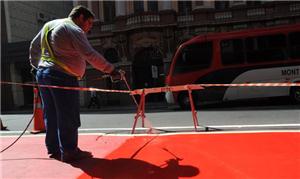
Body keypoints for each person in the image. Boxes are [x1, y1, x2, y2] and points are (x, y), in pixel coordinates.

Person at [29, 5, 122, 163]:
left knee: (50, 113)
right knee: (68, 115)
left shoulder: (49, 25)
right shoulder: (73, 29)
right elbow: (90, 54)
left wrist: (35, 66)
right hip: (62, 77)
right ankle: (70, 151)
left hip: (44, 75)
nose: (89, 27)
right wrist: (111, 70)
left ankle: (53, 148)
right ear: (80, 17)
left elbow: (34, 46)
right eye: (89, 23)